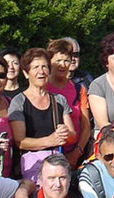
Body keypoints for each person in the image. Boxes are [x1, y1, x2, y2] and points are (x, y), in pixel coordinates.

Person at [9, 48, 76, 182]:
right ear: (26, 73)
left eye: (44, 67)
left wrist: (65, 133)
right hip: (32, 163)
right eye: (36, 67)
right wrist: (49, 141)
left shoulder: (59, 100)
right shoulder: (19, 101)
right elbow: (20, 142)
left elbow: (72, 136)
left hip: (57, 161)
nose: (41, 71)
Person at [47, 38, 93, 167]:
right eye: (58, 61)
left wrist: (76, 153)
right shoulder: (43, 87)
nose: (62, 65)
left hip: (75, 154)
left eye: (66, 60)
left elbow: (86, 126)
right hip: (48, 153)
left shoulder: (79, 89)